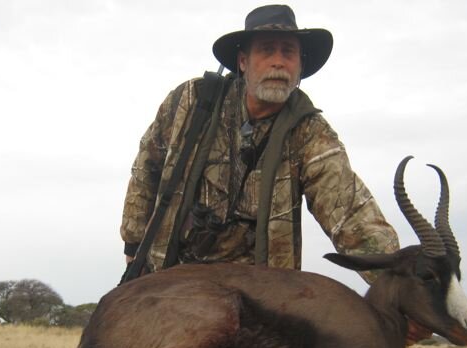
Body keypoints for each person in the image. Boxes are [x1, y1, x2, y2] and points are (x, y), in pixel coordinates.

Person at [121, 5, 399, 283]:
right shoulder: (191, 102)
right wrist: (134, 248)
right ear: (243, 61)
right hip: (172, 277)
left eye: (288, 52)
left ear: (300, 65)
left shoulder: (311, 132)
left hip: (256, 296)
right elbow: (146, 169)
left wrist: (398, 279)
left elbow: (350, 211)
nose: (278, 62)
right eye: (267, 50)